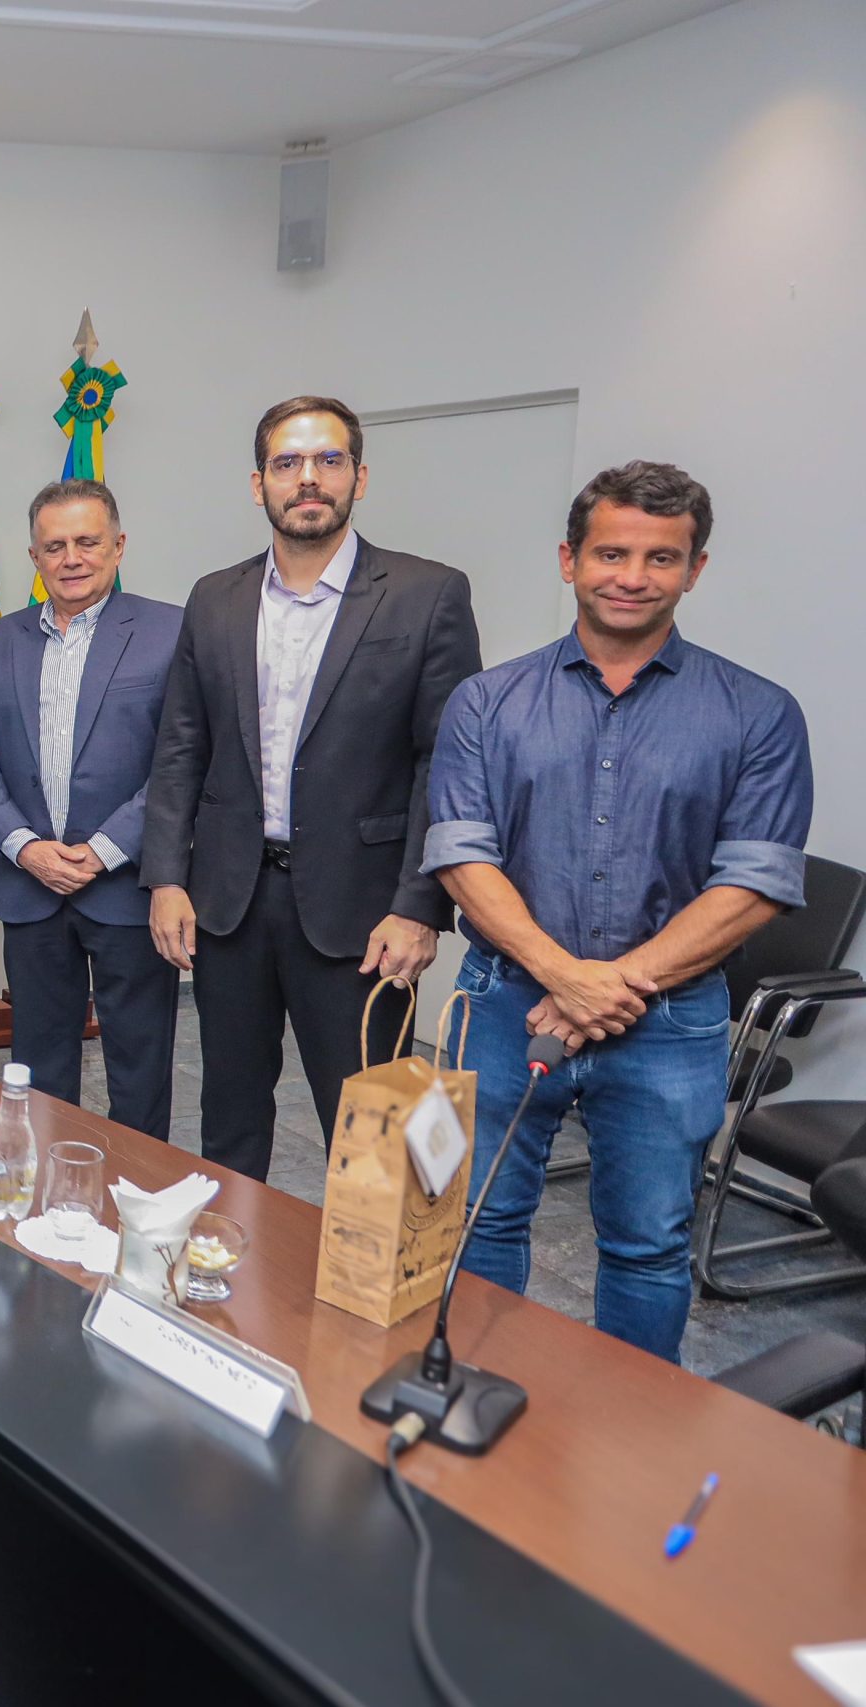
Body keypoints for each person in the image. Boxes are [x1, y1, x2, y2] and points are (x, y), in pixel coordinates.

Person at [427, 462, 808, 1362]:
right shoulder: (487, 702)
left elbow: (753, 883)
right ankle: (474, 1390)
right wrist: (562, 976)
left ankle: (631, 1430)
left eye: (660, 557)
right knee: (480, 1220)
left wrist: (604, 988)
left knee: (648, 1246)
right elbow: (463, 856)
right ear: (570, 560)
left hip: (669, 1024)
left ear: (694, 569)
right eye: (611, 553)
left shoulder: (758, 714)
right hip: (505, 1005)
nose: (632, 576)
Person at [141, 397, 481, 1179]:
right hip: (230, 902)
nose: (308, 478)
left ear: (359, 476)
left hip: (365, 912)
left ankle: (380, 1268)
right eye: (287, 462)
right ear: (257, 482)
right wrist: (165, 877)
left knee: (380, 1140)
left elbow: (446, 763)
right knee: (229, 1122)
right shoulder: (214, 597)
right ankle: (231, 1253)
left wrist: (420, 904)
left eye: (328, 460)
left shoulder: (427, 593)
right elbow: (181, 746)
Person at [0, 481, 185, 1137]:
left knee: (139, 1071)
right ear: (34, 556)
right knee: (39, 1073)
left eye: (87, 541)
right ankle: (47, 1191)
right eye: (54, 546)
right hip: (31, 890)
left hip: (129, 889)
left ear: (118, 546)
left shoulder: (170, 631)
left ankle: (136, 1191)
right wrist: (23, 846)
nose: (72, 558)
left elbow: (182, 758)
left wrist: (103, 850)